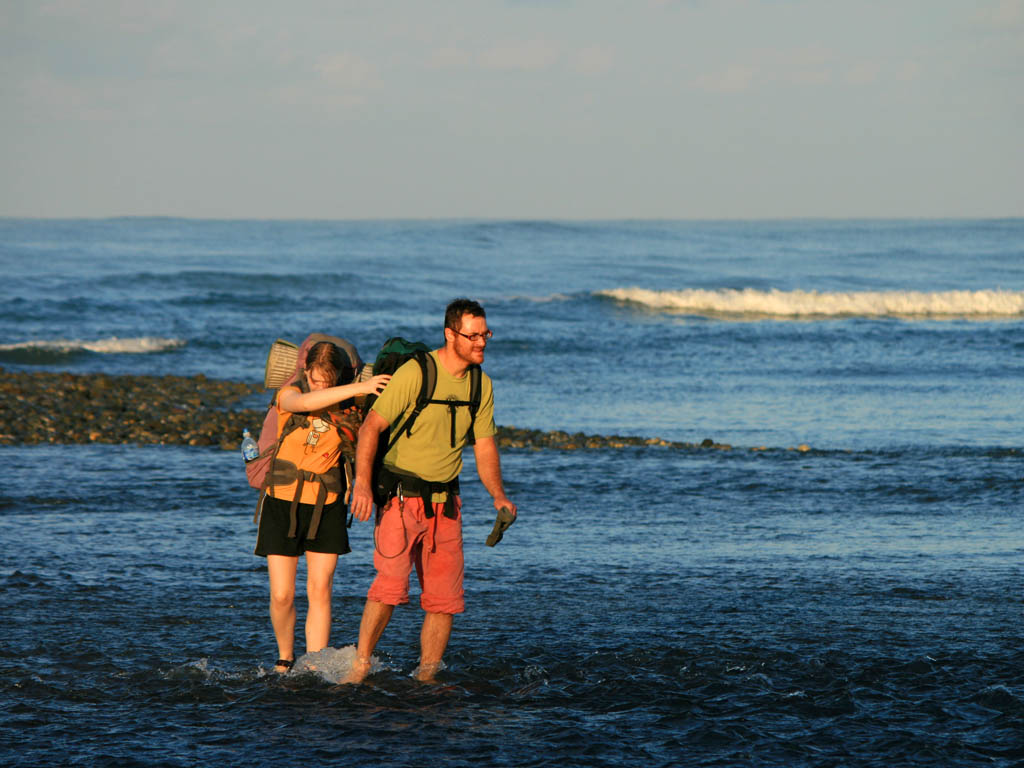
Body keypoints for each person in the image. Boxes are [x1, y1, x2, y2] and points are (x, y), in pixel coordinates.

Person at [344, 299, 517, 683]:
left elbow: (484, 444)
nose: (481, 343)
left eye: (485, 334)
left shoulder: (480, 384)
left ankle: (426, 676)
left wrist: (498, 495)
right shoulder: (416, 373)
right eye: (473, 336)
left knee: (445, 601)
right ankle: (360, 665)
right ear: (450, 334)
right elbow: (371, 427)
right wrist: (361, 484)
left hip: (447, 506)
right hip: (401, 500)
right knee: (388, 589)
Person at [253, 340, 390, 674]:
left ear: (338, 377)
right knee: (283, 595)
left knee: (320, 589)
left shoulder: (354, 406)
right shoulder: (288, 394)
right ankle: (285, 658)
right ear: (305, 373)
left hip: (326, 504)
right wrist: (359, 387)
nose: (320, 386)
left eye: (328, 381)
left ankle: (314, 662)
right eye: (315, 379)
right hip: (281, 503)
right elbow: (304, 402)